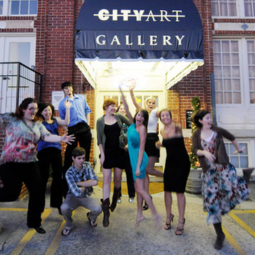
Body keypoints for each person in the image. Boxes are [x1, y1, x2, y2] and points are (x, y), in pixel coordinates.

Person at [0, 98, 74, 234]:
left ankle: (34, 222)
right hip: (11, 163)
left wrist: (60, 138)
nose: (34, 111)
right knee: (11, 194)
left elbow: (46, 136)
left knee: (38, 191)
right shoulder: (11, 119)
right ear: (23, 109)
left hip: (30, 162)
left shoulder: (38, 124)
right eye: (31, 109)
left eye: (35, 109)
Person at [191, 110, 250, 250]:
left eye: (210, 118)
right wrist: (204, 152)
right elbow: (195, 150)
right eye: (207, 118)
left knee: (233, 194)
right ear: (200, 120)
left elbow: (232, 137)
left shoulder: (217, 131)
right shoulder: (196, 134)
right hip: (209, 174)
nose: (210, 120)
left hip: (223, 170)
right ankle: (220, 235)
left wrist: (239, 149)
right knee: (213, 204)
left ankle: (245, 178)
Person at [119, 86, 162, 230]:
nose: (140, 117)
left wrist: (137, 167)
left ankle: (155, 214)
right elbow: (126, 106)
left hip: (139, 161)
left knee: (140, 188)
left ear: (145, 119)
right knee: (140, 189)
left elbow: (142, 147)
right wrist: (121, 90)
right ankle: (139, 214)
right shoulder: (132, 123)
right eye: (139, 115)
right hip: (133, 159)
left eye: (143, 116)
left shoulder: (142, 129)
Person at [96, 99, 131, 227]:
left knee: (117, 178)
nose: (114, 108)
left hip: (120, 152)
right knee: (106, 179)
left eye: (114, 106)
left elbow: (132, 125)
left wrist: (127, 140)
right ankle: (106, 211)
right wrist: (102, 155)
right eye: (111, 106)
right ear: (105, 107)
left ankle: (115, 196)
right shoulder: (100, 121)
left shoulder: (119, 116)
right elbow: (99, 139)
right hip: (107, 153)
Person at [129, 82, 163, 210]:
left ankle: (169, 176)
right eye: (149, 102)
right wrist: (131, 91)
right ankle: (147, 199)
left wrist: (159, 110)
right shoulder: (142, 113)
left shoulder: (155, 112)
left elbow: (163, 113)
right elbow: (134, 103)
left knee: (149, 169)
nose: (151, 104)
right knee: (144, 173)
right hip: (142, 140)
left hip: (152, 139)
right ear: (145, 104)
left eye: (153, 103)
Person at [156, 109, 190, 235]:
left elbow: (173, 140)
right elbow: (170, 144)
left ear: (170, 117)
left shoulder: (176, 127)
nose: (164, 117)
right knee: (167, 190)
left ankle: (181, 221)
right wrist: (161, 145)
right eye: (162, 115)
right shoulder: (161, 131)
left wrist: (162, 144)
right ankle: (169, 216)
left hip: (182, 162)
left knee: (179, 192)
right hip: (170, 162)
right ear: (160, 118)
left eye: (167, 115)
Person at [36, 101, 71, 214]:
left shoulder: (55, 121)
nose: (48, 112)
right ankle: (39, 206)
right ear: (41, 112)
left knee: (58, 177)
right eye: (45, 110)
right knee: (43, 177)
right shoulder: (39, 123)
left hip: (56, 150)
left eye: (49, 109)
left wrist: (68, 108)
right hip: (43, 151)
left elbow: (66, 121)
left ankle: (57, 204)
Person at [58, 81, 92, 197]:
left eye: (69, 87)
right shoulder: (62, 103)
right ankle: (67, 186)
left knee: (85, 156)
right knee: (69, 156)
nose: (68, 90)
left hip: (84, 128)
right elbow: (62, 119)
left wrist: (87, 123)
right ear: (63, 91)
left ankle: (86, 186)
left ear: (72, 88)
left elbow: (88, 111)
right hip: (72, 129)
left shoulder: (81, 98)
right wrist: (67, 130)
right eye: (65, 88)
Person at [61, 147, 102, 236]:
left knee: (98, 208)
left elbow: (95, 181)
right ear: (73, 158)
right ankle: (69, 226)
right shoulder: (69, 173)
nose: (81, 161)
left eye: (83, 158)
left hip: (87, 195)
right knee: (64, 208)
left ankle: (91, 217)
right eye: (79, 158)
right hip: (73, 196)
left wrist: (78, 183)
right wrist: (87, 185)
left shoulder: (87, 165)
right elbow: (76, 192)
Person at [116, 104, 135, 204]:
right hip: (118, 151)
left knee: (130, 173)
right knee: (118, 175)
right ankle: (118, 196)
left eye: (124, 109)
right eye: (120, 109)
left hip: (128, 150)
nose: (122, 110)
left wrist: (129, 145)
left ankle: (131, 195)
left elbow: (134, 135)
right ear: (117, 110)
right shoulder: (114, 121)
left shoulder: (130, 122)